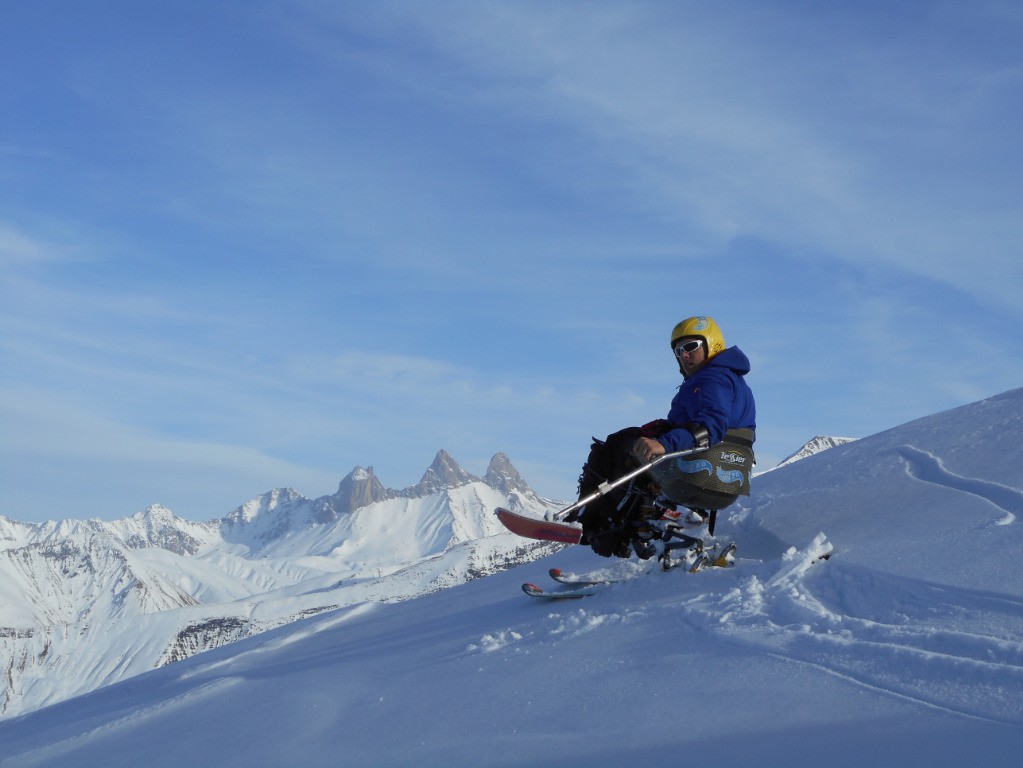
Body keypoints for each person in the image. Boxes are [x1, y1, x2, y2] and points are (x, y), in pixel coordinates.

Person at [572, 316, 757, 558]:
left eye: (691, 347)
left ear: (712, 345)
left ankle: (590, 526)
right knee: (634, 447)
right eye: (678, 351)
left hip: (697, 472)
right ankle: (634, 532)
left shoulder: (712, 378)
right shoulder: (731, 380)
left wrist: (663, 443)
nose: (684, 355)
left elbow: (712, 424)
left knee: (620, 447)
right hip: (728, 477)